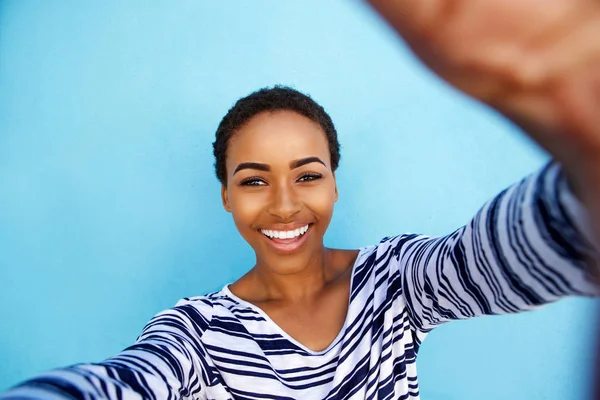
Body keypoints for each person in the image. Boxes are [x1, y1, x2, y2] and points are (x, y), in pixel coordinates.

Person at [3, 1, 600, 399]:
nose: (284, 204)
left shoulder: (394, 283)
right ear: (227, 198)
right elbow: (120, 384)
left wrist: (586, 131)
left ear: (335, 186)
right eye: (255, 180)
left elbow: (500, 260)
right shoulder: (198, 333)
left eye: (308, 175)